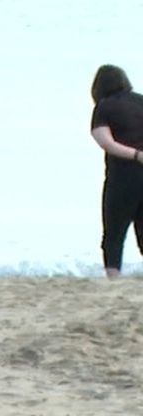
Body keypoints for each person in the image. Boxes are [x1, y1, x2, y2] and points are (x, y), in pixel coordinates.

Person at [88, 65, 143, 276]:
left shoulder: (103, 107)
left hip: (123, 177)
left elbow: (106, 142)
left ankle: (113, 280)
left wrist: (136, 155)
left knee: (114, 233)